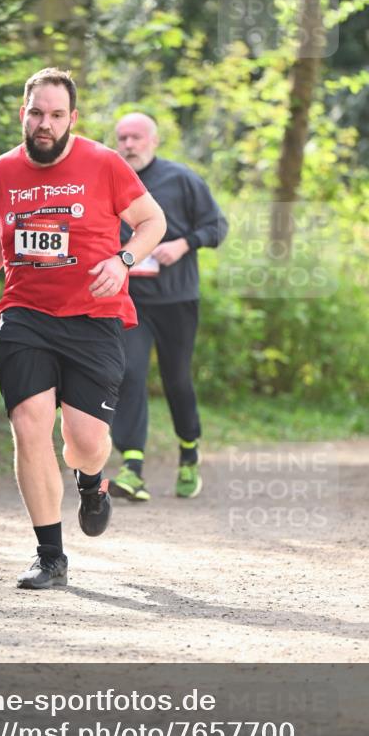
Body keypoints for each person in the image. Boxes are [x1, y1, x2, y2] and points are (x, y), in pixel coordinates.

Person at [0, 71, 166, 590]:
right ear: (22, 113)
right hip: (25, 315)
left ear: (72, 118)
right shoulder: (3, 170)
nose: (45, 123)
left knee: (85, 442)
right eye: (37, 113)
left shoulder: (103, 163)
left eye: (56, 115)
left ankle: (92, 481)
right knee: (30, 424)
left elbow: (153, 223)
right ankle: (50, 556)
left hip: (93, 319)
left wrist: (123, 261)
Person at [108, 112, 228, 503]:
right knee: (129, 373)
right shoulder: (106, 179)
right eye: (122, 137)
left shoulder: (182, 179)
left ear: (154, 141)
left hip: (177, 300)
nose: (129, 144)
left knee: (177, 380)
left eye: (136, 137)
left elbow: (217, 226)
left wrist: (183, 244)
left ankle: (189, 453)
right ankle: (132, 467)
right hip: (131, 300)